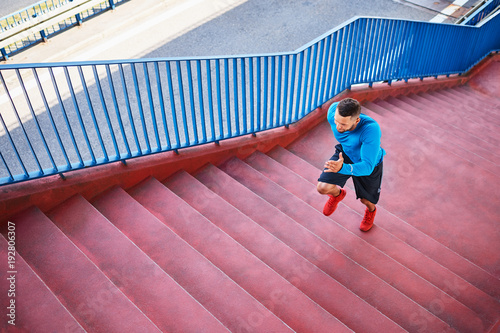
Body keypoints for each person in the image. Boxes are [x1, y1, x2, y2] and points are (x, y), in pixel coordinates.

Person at [317, 98, 385, 231]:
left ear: (356, 120)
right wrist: (343, 165)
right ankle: (338, 195)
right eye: (336, 121)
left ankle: (371, 211)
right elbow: (339, 111)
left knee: (366, 201)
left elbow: (367, 167)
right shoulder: (333, 111)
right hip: (346, 154)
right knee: (322, 188)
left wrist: (343, 168)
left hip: (367, 163)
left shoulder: (370, 130)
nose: (337, 126)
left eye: (342, 124)